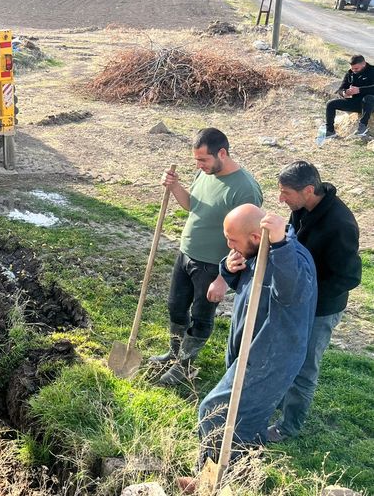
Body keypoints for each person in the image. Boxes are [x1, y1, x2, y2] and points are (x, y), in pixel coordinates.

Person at [197, 204, 316, 466]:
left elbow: (292, 293)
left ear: (254, 237)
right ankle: (241, 472)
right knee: (245, 420)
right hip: (248, 348)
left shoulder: (291, 257)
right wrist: (229, 268)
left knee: (215, 413)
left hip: (270, 358)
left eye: (232, 239)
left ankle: (211, 478)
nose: (228, 244)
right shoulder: (256, 251)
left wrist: (281, 246)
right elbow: (248, 285)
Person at [149, 128, 263, 386]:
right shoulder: (204, 172)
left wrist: (224, 277)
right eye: (196, 161)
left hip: (212, 264)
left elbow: (249, 240)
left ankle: (183, 366)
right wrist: (175, 186)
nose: (199, 165)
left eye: (203, 160)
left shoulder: (245, 189)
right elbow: (193, 205)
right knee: (175, 306)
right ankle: (174, 353)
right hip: (187, 253)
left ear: (222, 153)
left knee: (201, 316)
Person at [267, 161, 362, 442]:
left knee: (304, 367)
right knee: (285, 356)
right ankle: (278, 406)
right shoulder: (302, 209)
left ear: (308, 190)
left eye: (286, 192)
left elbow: (349, 277)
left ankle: (289, 426)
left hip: (320, 310)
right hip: (297, 301)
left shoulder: (340, 224)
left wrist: (307, 291)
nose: (280, 198)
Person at [324, 54, 374, 139]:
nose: (354, 70)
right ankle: (330, 132)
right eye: (352, 68)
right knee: (330, 104)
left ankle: (362, 128)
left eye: (356, 68)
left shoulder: (372, 70)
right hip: (357, 103)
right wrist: (345, 93)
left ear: (363, 64)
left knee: (368, 98)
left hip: (371, 103)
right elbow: (340, 89)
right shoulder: (350, 73)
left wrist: (360, 90)